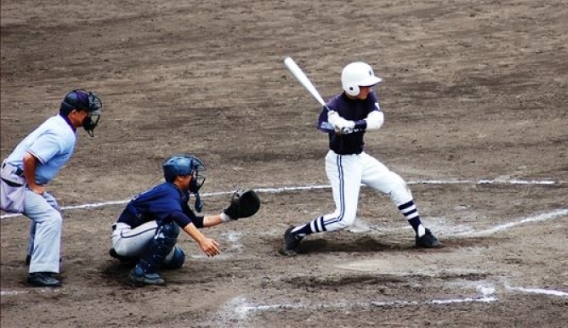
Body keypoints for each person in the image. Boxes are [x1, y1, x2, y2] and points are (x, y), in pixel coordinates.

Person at [281, 62, 442, 256]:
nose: (369, 89)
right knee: (344, 219)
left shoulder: (368, 97)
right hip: (341, 163)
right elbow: (323, 125)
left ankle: (421, 232)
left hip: (360, 158)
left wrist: (352, 125)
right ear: (352, 86)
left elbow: (377, 120)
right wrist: (335, 126)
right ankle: (296, 233)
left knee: (397, 185)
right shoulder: (333, 107)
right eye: (365, 86)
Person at [1, 89, 102, 287]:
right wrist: (33, 185)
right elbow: (29, 159)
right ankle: (40, 272)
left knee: (50, 206)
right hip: (14, 184)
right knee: (50, 218)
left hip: (15, 178)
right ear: (74, 113)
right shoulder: (60, 134)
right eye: (87, 112)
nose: (90, 116)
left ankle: (36, 254)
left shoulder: (59, 123)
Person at [110, 154, 260, 286]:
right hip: (125, 237)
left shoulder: (179, 193)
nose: (195, 177)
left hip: (138, 236)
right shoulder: (168, 192)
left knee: (177, 259)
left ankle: (132, 258)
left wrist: (227, 216)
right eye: (192, 174)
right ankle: (141, 273)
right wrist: (202, 240)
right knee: (169, 227)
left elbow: (193, 221)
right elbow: (177, 216)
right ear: (180, 177)